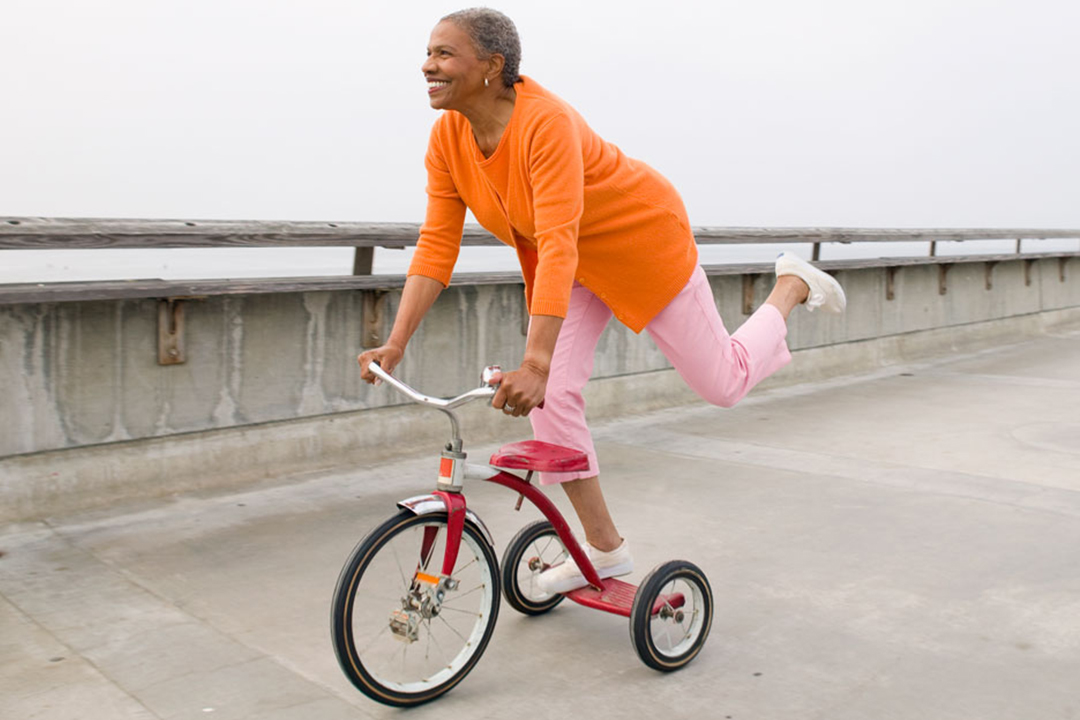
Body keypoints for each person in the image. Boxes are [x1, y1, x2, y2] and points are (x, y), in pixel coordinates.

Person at [358, 8, 845, 594]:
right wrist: (396, 340)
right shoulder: (449, 138)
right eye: (428, 52)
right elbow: (438, 245)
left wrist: (535, 362)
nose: (427, 65)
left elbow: (558, 240)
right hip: (575, 269)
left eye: (443, 53)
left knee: (722, 384)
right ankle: (605, 548)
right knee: (552, 401)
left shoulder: (546, 124)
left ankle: (789, 287)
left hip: (642, 244)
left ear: (491, 66)